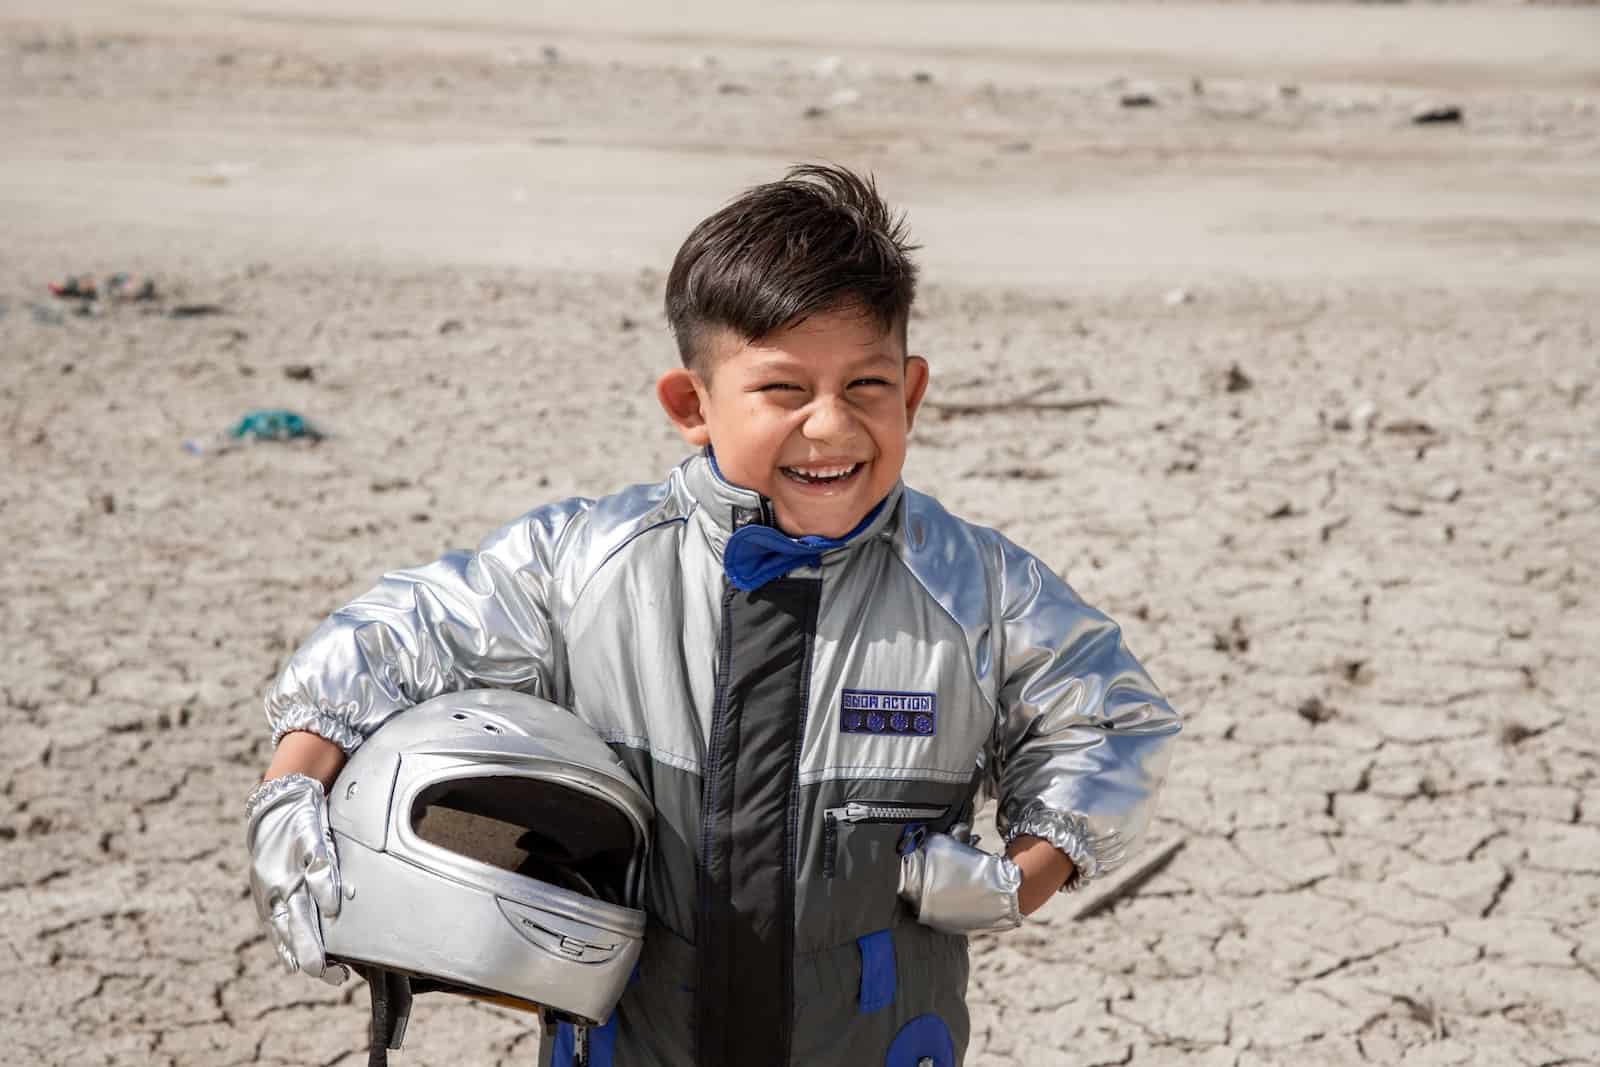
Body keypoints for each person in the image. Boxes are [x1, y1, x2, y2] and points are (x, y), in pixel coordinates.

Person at [244, 163, 1182, 1066]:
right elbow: (388, 637)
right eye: (783, 389)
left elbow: (1109, 713)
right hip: (632, 1041)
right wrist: (292, 792)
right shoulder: (586, 565)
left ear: (914, 390)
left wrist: (1028, 871)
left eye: (867, 385)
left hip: (881, 1039)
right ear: (691, 403)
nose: (830, 426)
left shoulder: (976, 587)